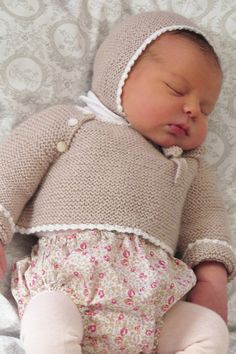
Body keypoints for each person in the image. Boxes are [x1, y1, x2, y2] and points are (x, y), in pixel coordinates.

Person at [0, 10, 235, 354]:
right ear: (120, 74)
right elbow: (11, 170)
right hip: (68, 290)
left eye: (205, 108)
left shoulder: (186, 166)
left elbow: (206, 220)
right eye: (176, 89)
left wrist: (212, 274)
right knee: (48, 320)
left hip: (154, 312)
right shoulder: (72, 124)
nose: (192, 111)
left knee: (209, 329)